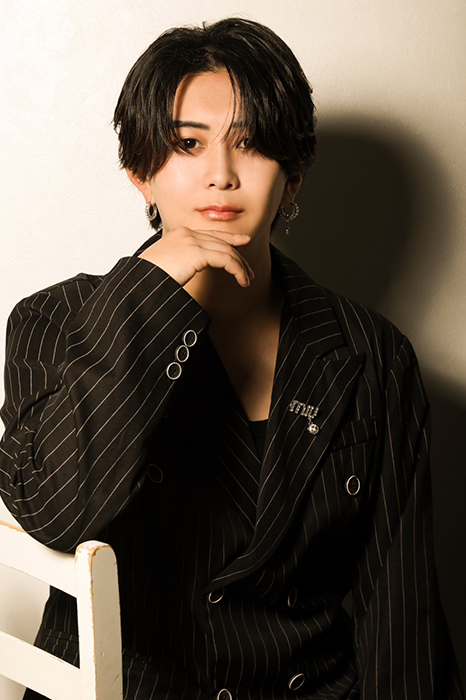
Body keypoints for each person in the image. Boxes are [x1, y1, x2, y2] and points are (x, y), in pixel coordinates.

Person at [0, 17, 463, 700]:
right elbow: (56, 513)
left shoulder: (372, 354)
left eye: (250, 144)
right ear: (140, 174)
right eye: (187, 144)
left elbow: (402, 612)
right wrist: (151, 297)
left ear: (293, 178)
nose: (220, 176)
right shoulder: (54, 321)